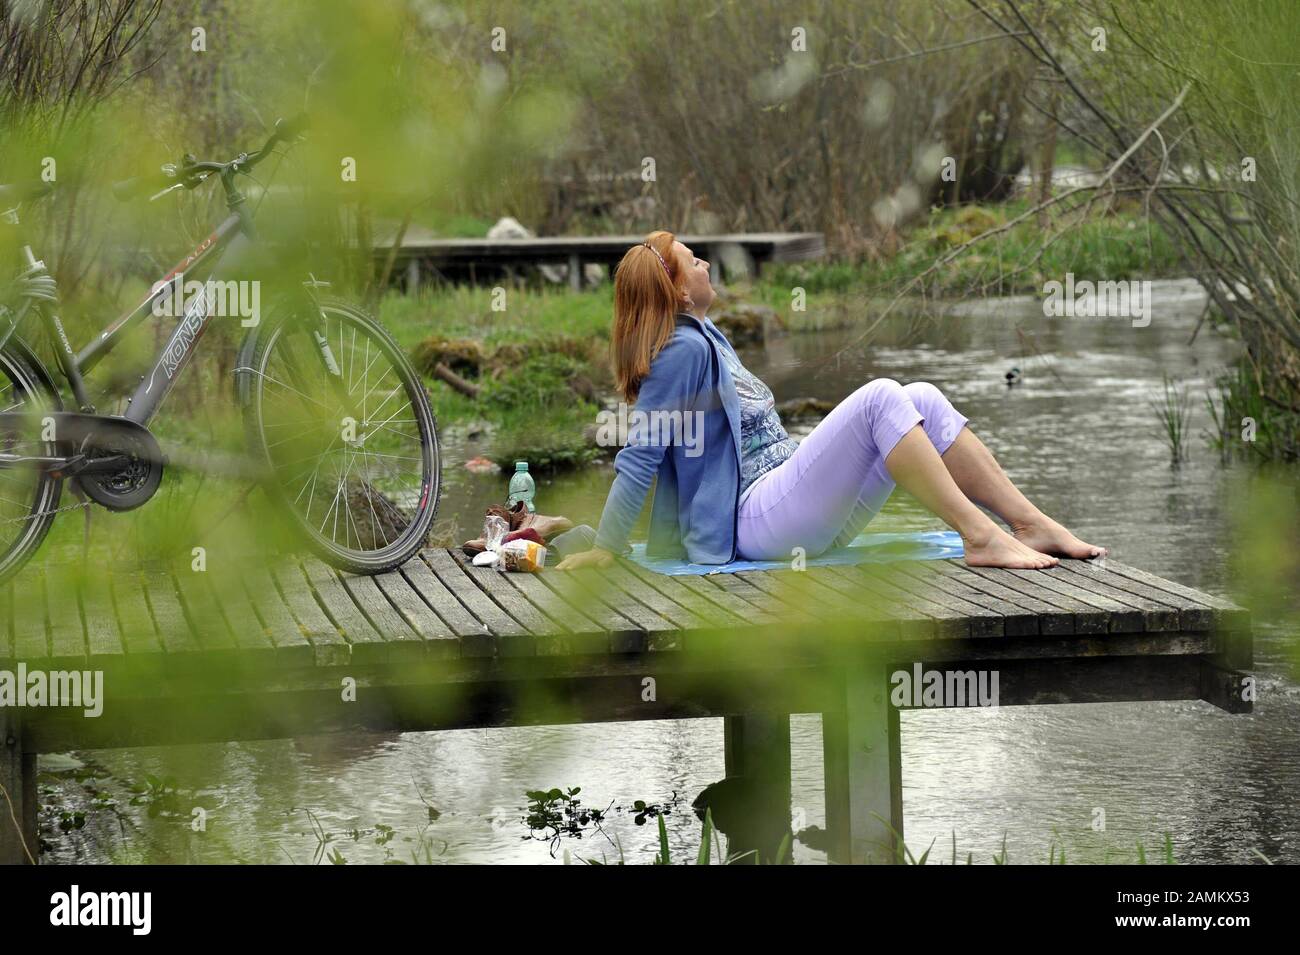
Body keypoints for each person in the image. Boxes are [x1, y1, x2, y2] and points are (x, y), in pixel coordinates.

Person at [555, 230, 1105, 571]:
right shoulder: (677, 351)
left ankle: (1030, 524)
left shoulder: (706, 335)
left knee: (923, 397)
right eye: (693, 261)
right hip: (755, 519)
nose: (704, 265)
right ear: (675, 289)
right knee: (881, 398)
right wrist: (606, 545)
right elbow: (639, 455)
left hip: (789, 509)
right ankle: (980, 536)